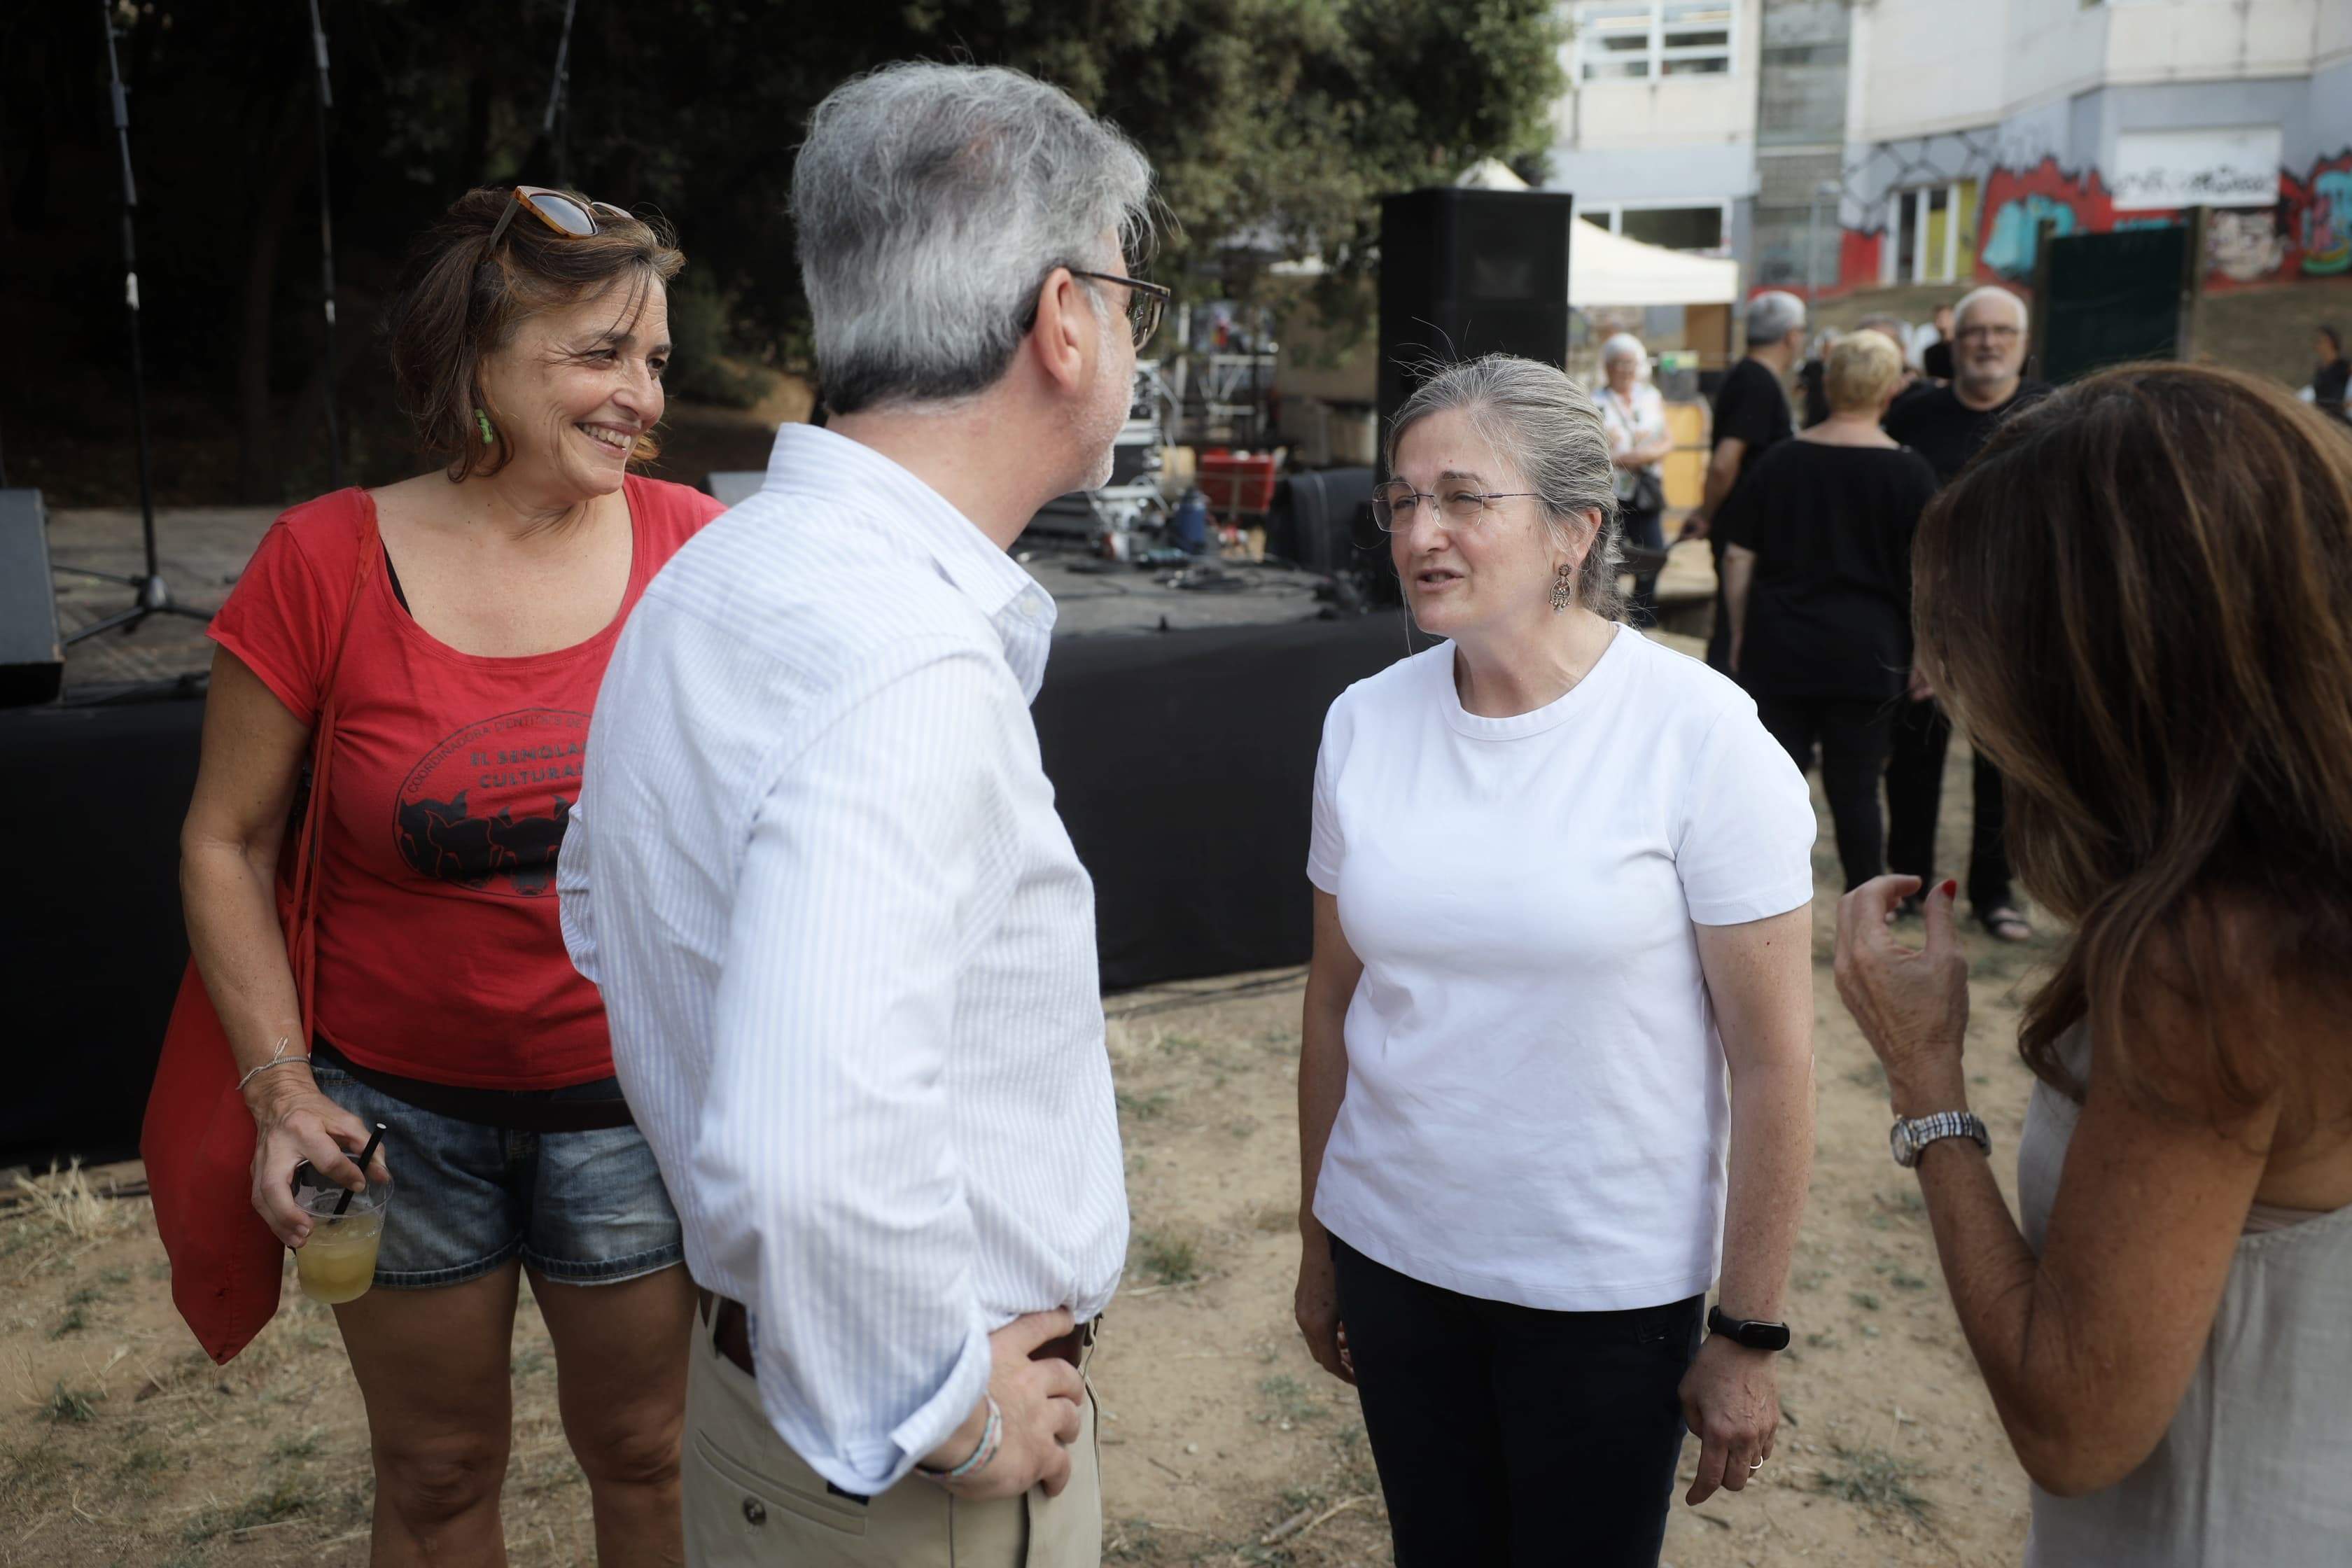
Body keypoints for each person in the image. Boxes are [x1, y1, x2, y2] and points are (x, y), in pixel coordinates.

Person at [559, 62, 1162, 1565]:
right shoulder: (900, 653)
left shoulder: (718, 573)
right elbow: (804, 1148)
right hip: (903, 1479)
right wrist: (950, 1412)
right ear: (1064, 321)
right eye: (1134, 295)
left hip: (776, 1406)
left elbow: (600, 915)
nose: (1137, 335)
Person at [181, 186, 722, 1562]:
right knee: (432, 1469)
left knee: (652, 1454)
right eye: (601, 354)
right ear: (475, 355)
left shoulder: (697, 552)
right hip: (390, 1126)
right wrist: (281, 1088)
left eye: (656, 362)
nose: (641, 398)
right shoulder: (321, 558)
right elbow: (225, 840)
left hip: (632, 1121)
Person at [1294, 354, 1818, 1566]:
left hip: (1602, 1291)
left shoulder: (1701, 739)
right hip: (1395, 1255)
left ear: (1577, 530)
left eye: (1464, 498)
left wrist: (1748, 1329)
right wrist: (1322, 1242)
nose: (1420, 531)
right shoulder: (1363, 722)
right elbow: (1333, 1004)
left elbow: (1777, 1066)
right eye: (1402, 500)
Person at [1833, 363, 2352, 1566]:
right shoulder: (2303, 895)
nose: (1967, 693)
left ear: (2118, 663)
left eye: (1989, 640)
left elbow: (2076, 1423)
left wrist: (1927, 1088)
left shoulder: (2218, 960)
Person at [1718, 332, 1936, 890]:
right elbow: (1930, 574)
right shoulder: (1912, 473)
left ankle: (1761, 894)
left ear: (1828, 382)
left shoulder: (1781, 461)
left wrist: (1740, 630)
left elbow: (1740, 552)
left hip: (1781, 645)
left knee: (1772, 785)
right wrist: (1928, 650)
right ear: (1890, 390)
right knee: (1857, 791)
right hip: (1868, 654)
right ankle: (1871, 902)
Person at [1882, 284, 2045, 941]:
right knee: (1915, 764)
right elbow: (1893, 523)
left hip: (2016, 629)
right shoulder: (1915, 416)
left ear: (2023, 344)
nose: (1988, 342)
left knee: (2005, 774)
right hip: (1929, 624)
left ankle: (1994, 893)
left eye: (2002, 332)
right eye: (1976, 331)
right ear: (1955, 343)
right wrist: (1923, 630)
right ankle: (1910, 881)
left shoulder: (2050, 415)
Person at [1688, 290, 1804, 671]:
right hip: (1744, 530)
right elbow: (1725, 463)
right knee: (1734, 628)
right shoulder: (1756, 381)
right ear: (1792, 336)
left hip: (1744, 526)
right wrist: (1706, 514)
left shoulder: (1749, 375)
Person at [1597, 332, 1673, 625]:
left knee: (1653, 554)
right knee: (1609, 558)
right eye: (1619, 363)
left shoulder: (1651, 397)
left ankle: (1644, 619)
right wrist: (1624, 459)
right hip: (1614, 491)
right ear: (1608, 366)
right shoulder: (1597, 401)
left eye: (1631, 363)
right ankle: (1611, 618)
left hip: (1646, 490)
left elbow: (1668, 438)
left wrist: (1649, 455)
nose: (1626, 370)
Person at [2312, 325, 2349, 424]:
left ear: (2330, 342)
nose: (2317, 344)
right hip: (2319, 416)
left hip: (2337, 419)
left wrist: (2347, 404)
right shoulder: (2320, 368)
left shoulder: (2343, 365)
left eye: (2320, 341)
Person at [1919, 302, 1956, 382]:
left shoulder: (1964, 349)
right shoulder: (1930, 352)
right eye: (1937, 318)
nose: (1941, 321)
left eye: (1946, 317)